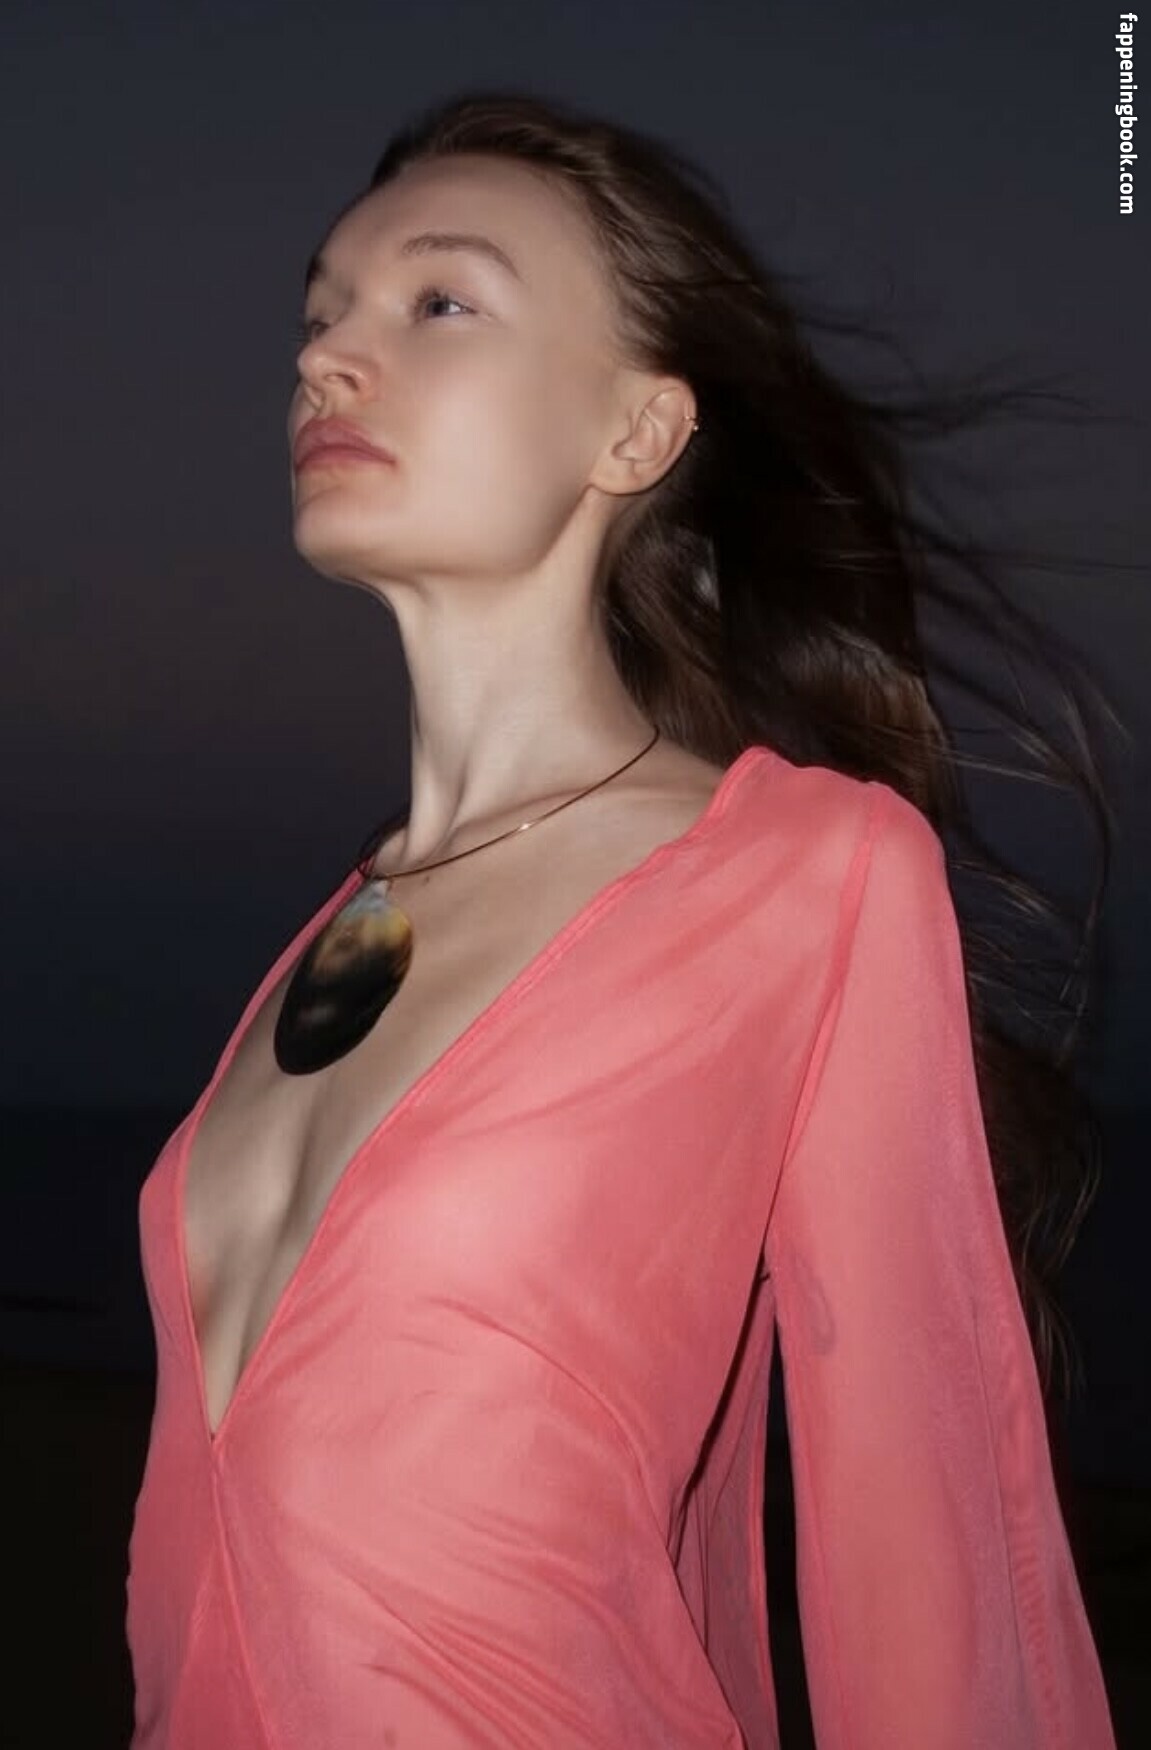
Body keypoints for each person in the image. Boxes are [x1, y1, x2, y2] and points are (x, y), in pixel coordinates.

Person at [125, 89, 1119, 1749]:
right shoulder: (332, 936)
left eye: (440, 302)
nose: (327, 359)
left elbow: (928, 1565)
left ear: (637, 435)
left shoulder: (806, 877)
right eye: (322, 312)